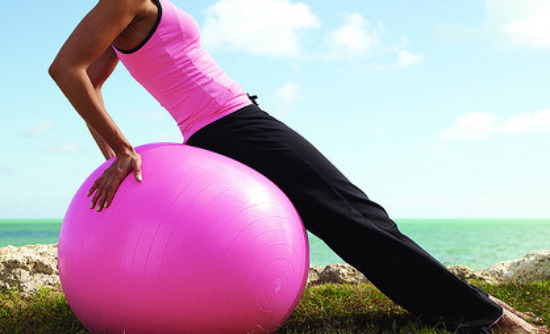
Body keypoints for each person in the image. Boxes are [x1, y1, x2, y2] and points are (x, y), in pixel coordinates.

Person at [49, 0, 547, 333]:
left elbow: (88, 83)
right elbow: (67, 71)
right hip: (230, 126)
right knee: (354, 217)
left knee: (355, 218)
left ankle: (469, 305)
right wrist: (120, 149)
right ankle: (481, 316)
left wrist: (115, 149)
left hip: (231, 123)